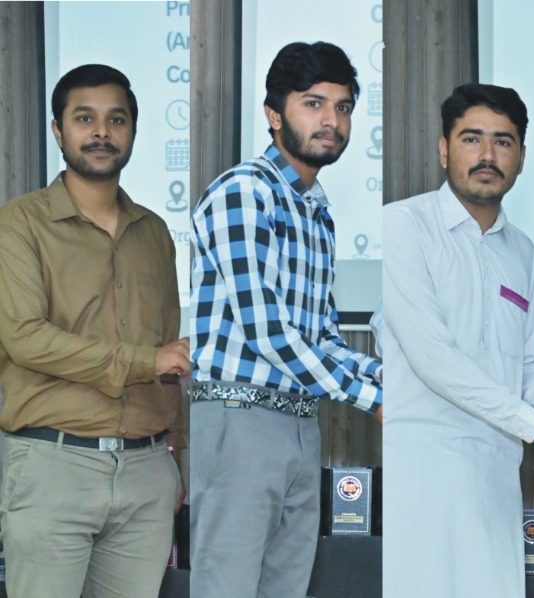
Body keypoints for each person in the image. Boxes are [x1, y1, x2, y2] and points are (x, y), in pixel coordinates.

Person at [188, 41, 381, 598]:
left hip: (302, 421)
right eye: (313, 104)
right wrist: (372, 400)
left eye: (343, 107)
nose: (331, 121)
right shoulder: (245, 192)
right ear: (274, 115)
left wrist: (387, 379)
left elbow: (320, 338)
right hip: (240, 420)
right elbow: (267, 330)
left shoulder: (316, 210)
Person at [0, 63, 188, 598]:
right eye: (85, 118)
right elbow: (24, 337)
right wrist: (144, 361)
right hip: (53, 465)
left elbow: (170, 351)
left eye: (116, 119)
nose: (102, 132)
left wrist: (176, 455)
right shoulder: (19, 224)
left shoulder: (154, 232)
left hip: (147, 470)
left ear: (133, 131)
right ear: (58, 131)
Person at [379, 83, 534, 598]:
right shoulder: (402, 226)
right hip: (421, 473)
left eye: (503, 142)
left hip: (496, 475)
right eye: (471, 138)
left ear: (521, 157)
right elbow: (433, 357)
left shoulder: (523, 251)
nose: (487, 155)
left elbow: (525, 366)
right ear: (444, 149)